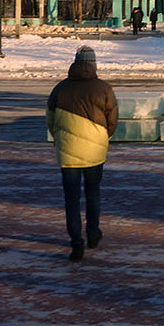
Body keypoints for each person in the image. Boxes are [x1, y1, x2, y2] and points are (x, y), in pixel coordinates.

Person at [47, 45, 118, 262]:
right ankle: (93, 233)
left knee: (71, 198)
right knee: (93, 192)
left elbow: (51, 122)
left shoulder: (60, 88)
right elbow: (112, 120)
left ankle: (76, 241)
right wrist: (102, 138)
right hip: (95, 151)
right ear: (94, 64)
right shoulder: (104, 89)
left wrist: (61, 139)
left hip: (68, 151)